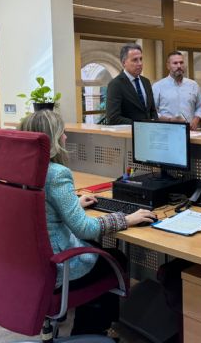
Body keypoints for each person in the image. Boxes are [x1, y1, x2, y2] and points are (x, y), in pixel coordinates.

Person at [19, 110, 157, 335]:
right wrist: (127, 219)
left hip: (28, 265)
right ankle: (91, 332)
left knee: (97, 252)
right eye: (62, 133)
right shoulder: (56, 174)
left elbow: (37, 210)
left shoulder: (20, 170)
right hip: (56, 267)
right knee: (115, 258)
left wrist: (72, 205)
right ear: (52, 139)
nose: (66, 138)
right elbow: (86, 228)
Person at [105, 43, 158, 125]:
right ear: (123, 63)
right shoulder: (115, 84)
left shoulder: (146, 82)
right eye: (135, 60)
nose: (140, 63)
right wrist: (140, 125)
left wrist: (155, 123)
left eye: (141, 59)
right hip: (128, 135)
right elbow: (113, 118)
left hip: (150, 133)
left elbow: (152, 110)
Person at [152, 51, 201, 130]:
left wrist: (196, 119)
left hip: (190, 132)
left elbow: (200, 106)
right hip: (166, 130)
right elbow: (153, 112)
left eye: (181, 62)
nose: (179, 66)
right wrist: (170, 120)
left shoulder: (193, 85)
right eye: (175, 63)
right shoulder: (158, 86)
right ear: (168, 66)